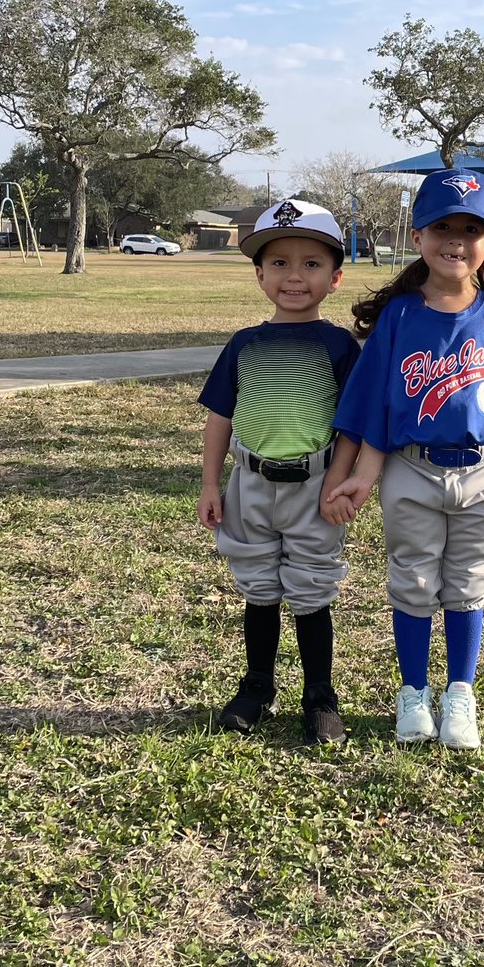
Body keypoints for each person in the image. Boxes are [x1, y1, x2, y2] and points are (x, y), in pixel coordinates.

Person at [322, 169, 484, 751]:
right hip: (411, 469)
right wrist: (361, 477)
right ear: (419, 237)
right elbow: (378, 407)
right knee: (414, 581)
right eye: (441, 226)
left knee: (469, 584)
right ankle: (412, 692)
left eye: (471, 228)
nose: (455, 239)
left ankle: (460, 693)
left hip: (483, 471)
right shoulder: (400, 316)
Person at [197, 199, 361, 744]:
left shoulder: (340, 346)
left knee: (312, 589)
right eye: (280, 264)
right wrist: (210, 484)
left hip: (315, 485)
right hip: (249, 483)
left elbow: (353, 425)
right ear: (259, 275)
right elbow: (222, 415)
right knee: (259, 586)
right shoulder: (244, 343)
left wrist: (338, 481)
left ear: (335, 278)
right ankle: (256, 687)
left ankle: (320, 695)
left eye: (312, 264)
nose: (295, 276)